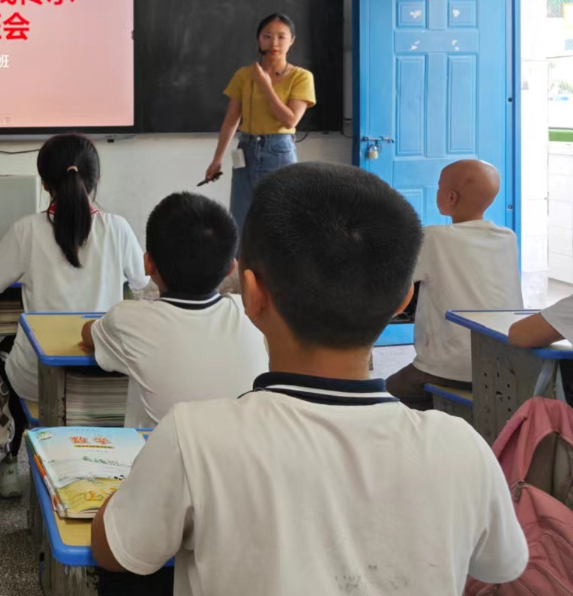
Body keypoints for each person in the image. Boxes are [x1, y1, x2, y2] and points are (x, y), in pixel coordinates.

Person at [91, 163, 527, 595]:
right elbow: (501, 564)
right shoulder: (463, 447)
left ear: (251, 294)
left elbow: (116, 552)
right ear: (403, 299)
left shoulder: (193, 437)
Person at [0, 133, 149, 497]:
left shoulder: (27, 230)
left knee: (1, 357)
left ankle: (7, 463)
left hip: (42, 379)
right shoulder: (117, 228)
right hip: (106, 375)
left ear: (45, 183)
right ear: (96, 179)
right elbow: (142, 280)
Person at [80, 192, 267, 428]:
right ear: (231, 268)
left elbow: (88, 333)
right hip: (239, 449)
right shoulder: (250, 315)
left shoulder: (128, 319)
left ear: (148, 263)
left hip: (155, 451)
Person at [387, 160, 522, 409]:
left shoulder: (432, 238)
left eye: (439, 186)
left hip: (448, 370)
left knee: (386, 394)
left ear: (451, 197)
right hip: (504, 366)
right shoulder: (507, 238)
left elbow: (394, 287)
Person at [204, 13, 316, 232]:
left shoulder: (301, 77)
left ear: (292, 41)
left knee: (280, 221)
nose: (274, 43)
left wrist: (265, 85)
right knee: (240, 220)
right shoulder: (244, 75)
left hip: (278, 150)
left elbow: (290, 120)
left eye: (281, 37)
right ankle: (242, 257)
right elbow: (231, 120)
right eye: (267, 36)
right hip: (246, 149)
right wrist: (217, 159)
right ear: (258, 39)